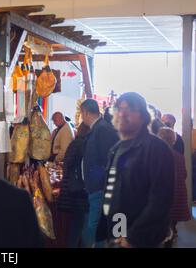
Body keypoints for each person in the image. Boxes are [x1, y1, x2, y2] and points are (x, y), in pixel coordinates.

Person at [97, 92, 174, 248]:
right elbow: (112, 194)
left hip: (142, 240)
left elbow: (160, 201)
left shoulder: (157, 149)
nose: (123, 113)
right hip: (118, 233)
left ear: (144, 116)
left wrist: (132, 238)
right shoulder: (116, 148)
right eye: (119, 108)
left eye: (131, 109)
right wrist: (104, 235)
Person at [80, 99, 119, 248]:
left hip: (99, 188)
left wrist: (98, 184)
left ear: (85, 112)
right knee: (95, 225)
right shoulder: (98, 128)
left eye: (82, 113)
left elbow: (107, 161)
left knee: (95, 226)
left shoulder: (102, 129)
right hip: (96, 187)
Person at [57, 123, 90, 248]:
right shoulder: (84, 145)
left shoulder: (75, 143)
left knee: (76, 225)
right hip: (79, 191)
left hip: (71, 190)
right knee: (81, 225)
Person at [157, 127, 191, 243]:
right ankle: (171, 236)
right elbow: (185, 174)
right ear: (173, 140)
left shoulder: (155, 155)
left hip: (163, 195)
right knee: (172, 221)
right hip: (178, 193)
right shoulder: (179, 156)